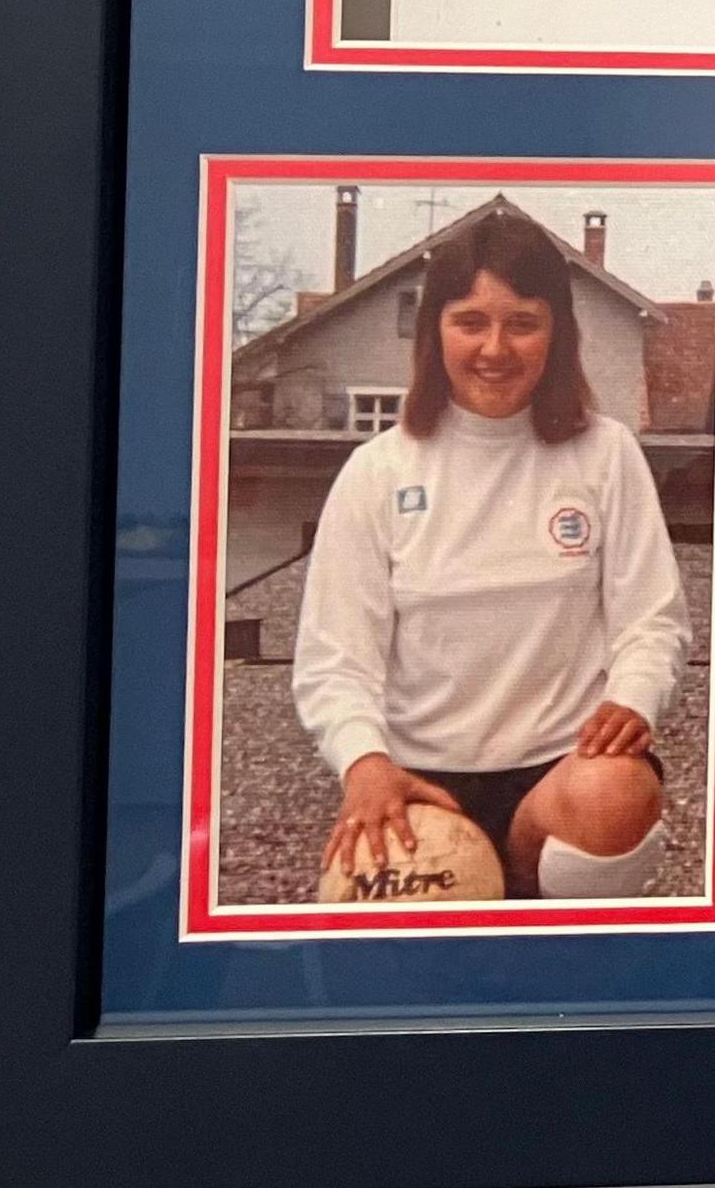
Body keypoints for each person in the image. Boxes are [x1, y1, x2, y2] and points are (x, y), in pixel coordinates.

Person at [293, 210, 689, 899]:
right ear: (434, 330)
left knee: (616, 791)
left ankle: (561, 920)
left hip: (559, 774)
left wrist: (633, 699)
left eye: (522, 322)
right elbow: (334, 661)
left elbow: (652, 623)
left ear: (557, 332)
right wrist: (364, 762)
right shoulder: (377, 473)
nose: (495, 347)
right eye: (470, 320)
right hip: (421, 781)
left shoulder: (606, 454)